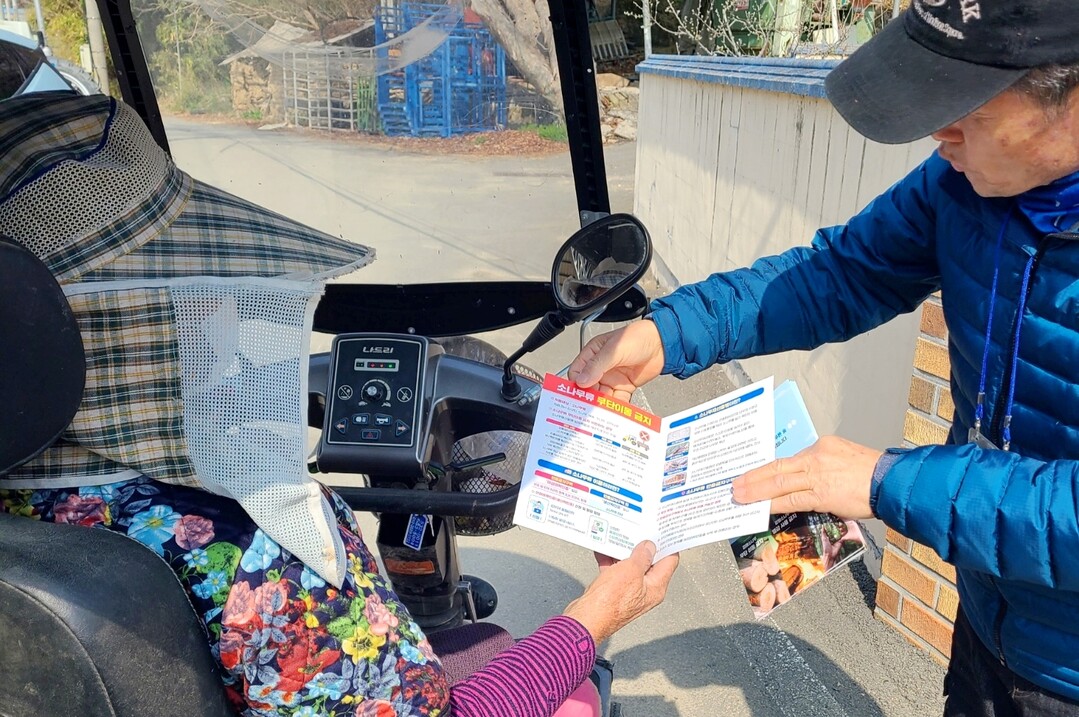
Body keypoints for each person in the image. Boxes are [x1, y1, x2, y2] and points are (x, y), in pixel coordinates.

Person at [0, 91, 678, 717]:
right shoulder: (252, 557)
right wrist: (595, 614)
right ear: (122, 330)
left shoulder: (33, 509)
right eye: (195, 293)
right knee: (570, 681)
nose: (219, 312)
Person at [569, 1, 1079, 714]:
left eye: (967, 109)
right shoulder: (965, 184)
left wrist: (885, 481)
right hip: (989, 618)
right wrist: (669, 332)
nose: (940, 134)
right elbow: (840, 274)